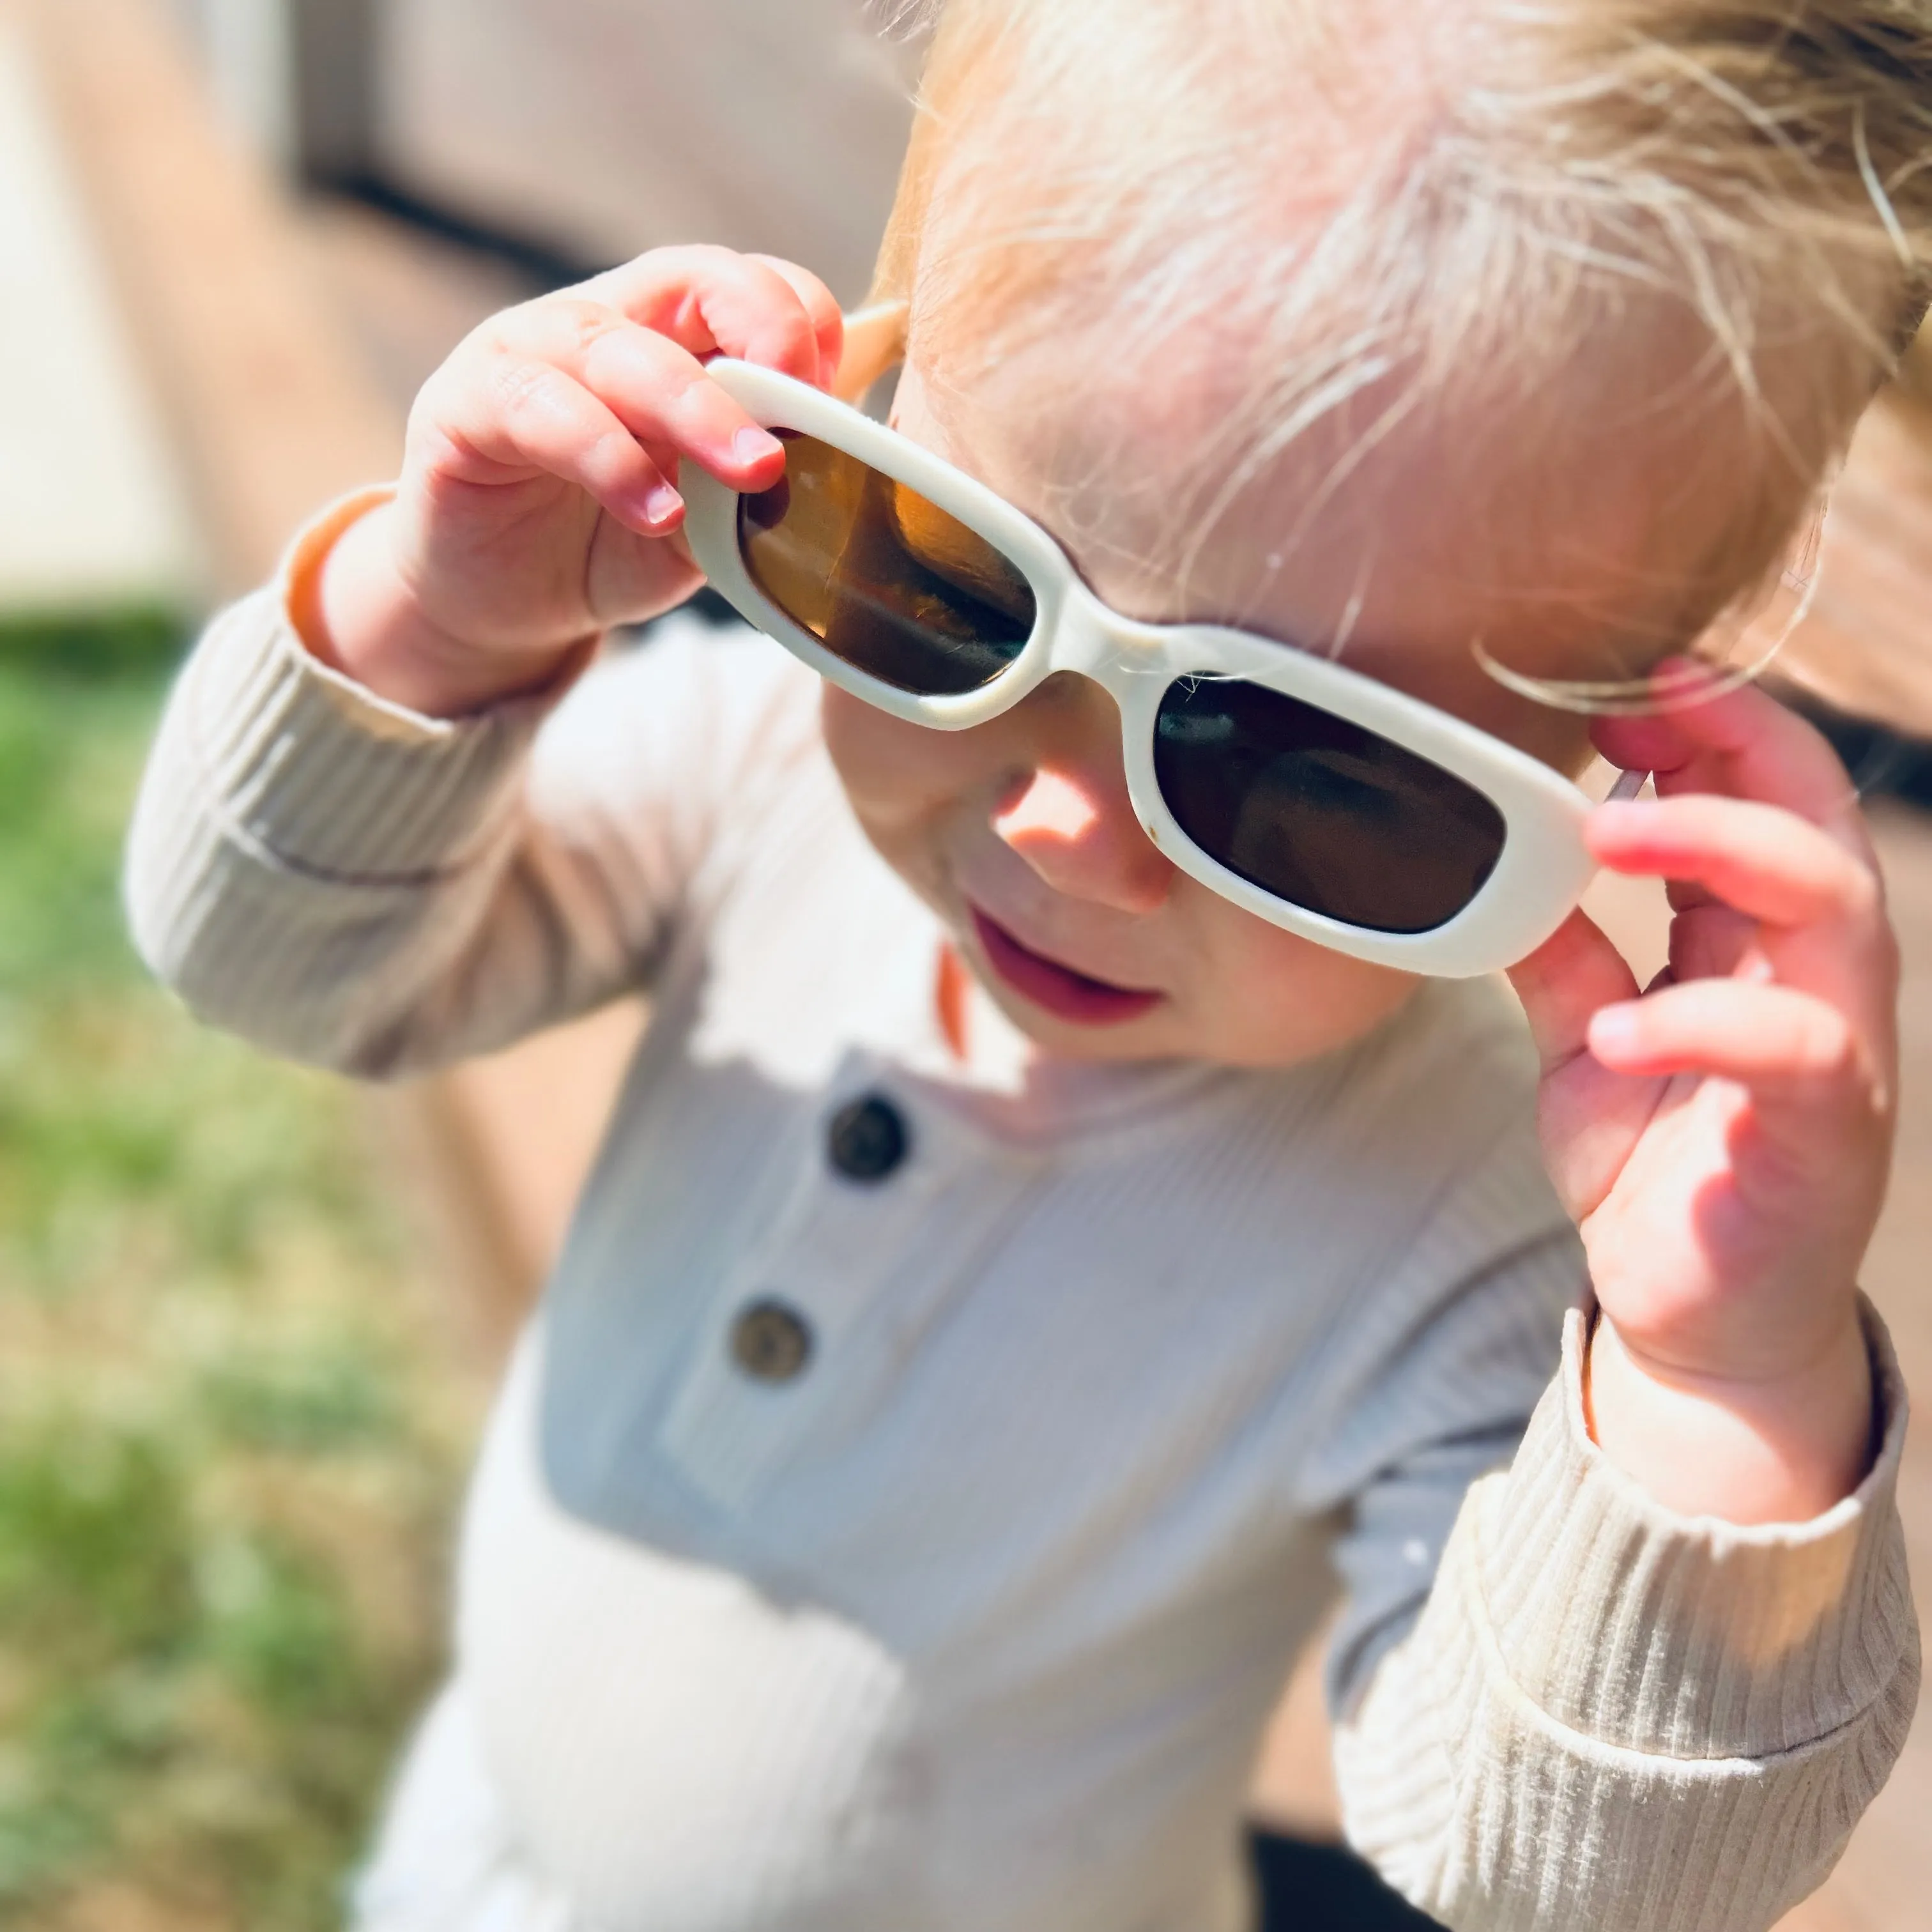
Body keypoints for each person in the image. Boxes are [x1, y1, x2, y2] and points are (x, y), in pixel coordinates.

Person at [126, 3, 1924, 1928]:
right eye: (949, 586)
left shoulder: (1454, 1225)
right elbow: (278, 970)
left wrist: (1719, 1384)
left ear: (1599, 762)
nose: (1071, 831)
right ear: (863, 399)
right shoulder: (748, 771)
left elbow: (1557, 1883)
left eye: (1305, 771)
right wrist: (430, 623)